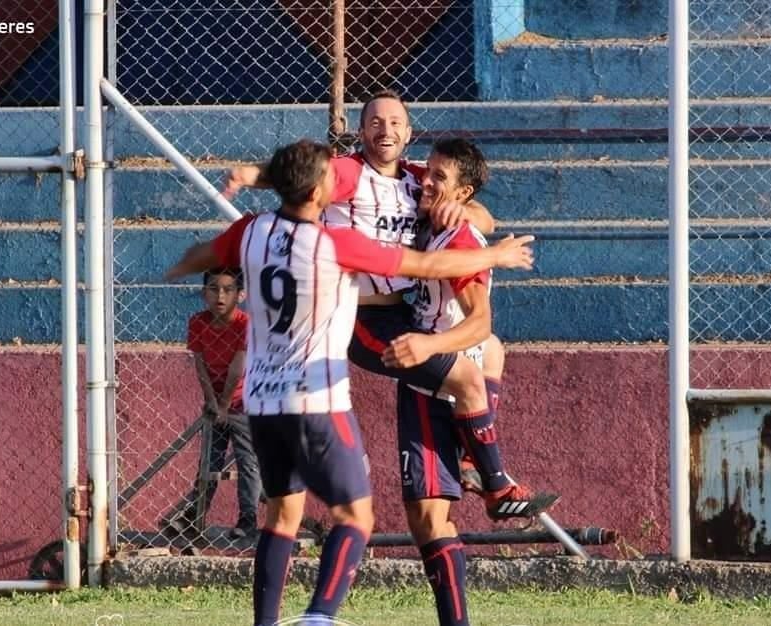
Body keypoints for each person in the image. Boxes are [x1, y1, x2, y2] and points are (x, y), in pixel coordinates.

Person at [165, 139, 536, 626]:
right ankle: (319, 616)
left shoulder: (251, 232)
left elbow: (202, 253)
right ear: (321, 191)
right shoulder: (335, 245)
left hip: (261, 399)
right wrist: (498, 257)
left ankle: (266, 623)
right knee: (356, 516)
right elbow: (425, 266)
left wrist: (174, 267)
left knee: (281, 516)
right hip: (316, 397)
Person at [223, 91, 552, 521]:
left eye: (396, 123)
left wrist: (467, 213)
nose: (386, 129)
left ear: (409, 133)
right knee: (467, 377)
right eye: (375, 122)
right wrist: (251, 174)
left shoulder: (418, 179)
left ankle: (470, 464)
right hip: (361, 316)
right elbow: (301, 176)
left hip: (404, 311)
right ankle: (496, 487)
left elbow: (484, 214)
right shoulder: (349, 173)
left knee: (490, 349)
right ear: (361, 132)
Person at [384, 138, 554, 626]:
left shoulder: (460, 241)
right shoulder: (432, 214)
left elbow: (481, 324)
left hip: (439, 375)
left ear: (463, 192)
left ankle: (496, 483)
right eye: (429, 173)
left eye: (440, 178)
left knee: (431, 518)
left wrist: (429, 346)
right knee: (426, 522)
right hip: (428, 382)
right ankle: (475, 460)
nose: (427, 182)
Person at [162, 267, 263, 541]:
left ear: (240, 295)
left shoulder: (245, 324)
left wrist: (225, 404)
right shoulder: (198, 322)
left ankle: (248, 518)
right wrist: (211, 401)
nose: (220, 295)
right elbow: (201, 364)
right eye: (214, 288)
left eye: (228, 290)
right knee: (209, 462)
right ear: (204, 293)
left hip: (243, 402)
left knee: (247, 462)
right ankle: (194, 516)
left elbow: (237, 367)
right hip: (214, 403)